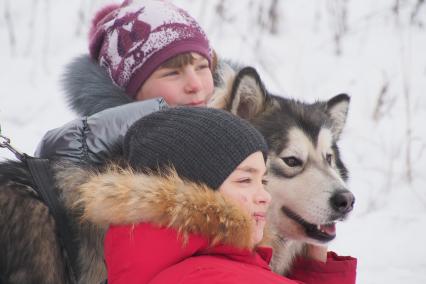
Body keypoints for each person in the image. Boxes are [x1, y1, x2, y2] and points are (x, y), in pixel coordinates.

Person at [76, 107, 357, 284]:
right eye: (246, 180)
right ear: (195, 188)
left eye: (263, 180)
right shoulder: (215, 276)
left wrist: (314, 264)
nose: (265, 196)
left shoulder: (162, 263)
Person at [36, 0, 217, 163]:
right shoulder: (102, 155)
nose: (196, 85)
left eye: (201, 67)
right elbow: (55, 156)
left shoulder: (239, 119)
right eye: (172, 73)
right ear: (128, 89)